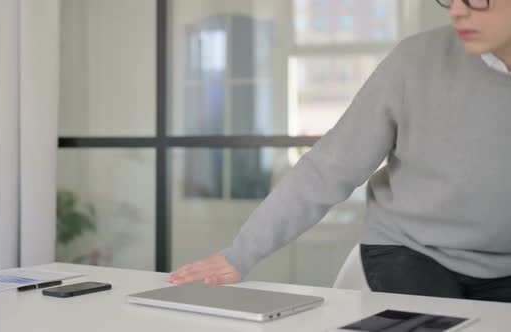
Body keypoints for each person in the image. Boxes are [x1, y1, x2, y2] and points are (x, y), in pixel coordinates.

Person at [168, 0, 511, 302]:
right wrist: (239, 255)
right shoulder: (414, 61)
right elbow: (328, 169)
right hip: (411, 251)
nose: (456, 10)